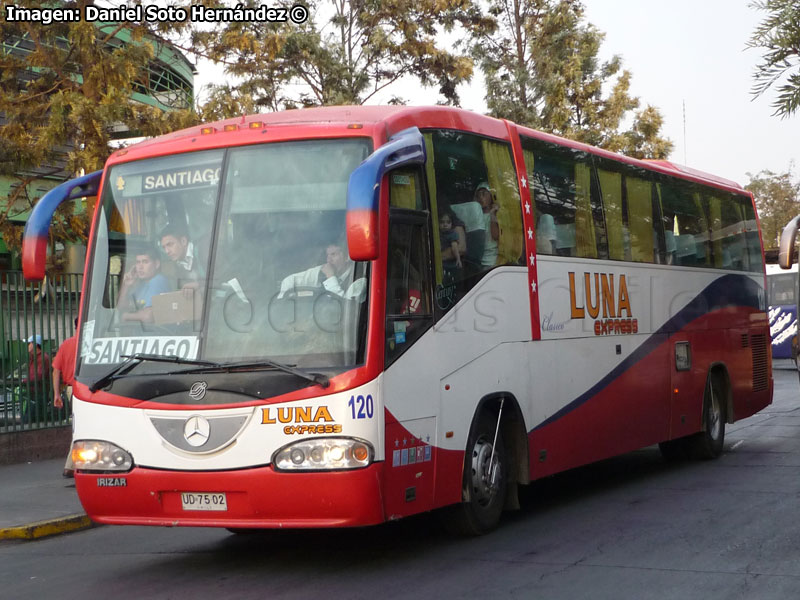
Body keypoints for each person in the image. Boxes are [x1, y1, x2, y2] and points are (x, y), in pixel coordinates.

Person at [278, 243, 366, 300]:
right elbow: (290, 280)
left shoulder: (359, 281)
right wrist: (283, 301)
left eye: (333, 254)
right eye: (327, 255)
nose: (329, 260)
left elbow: (346, 308)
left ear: (347, 256)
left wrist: (331, 278)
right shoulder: (323, 271)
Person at [117, 246, 172, 323]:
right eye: (138, 262)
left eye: (145, 262)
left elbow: (148, 316)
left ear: (156, 264)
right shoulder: (142, 284)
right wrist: (126, 285)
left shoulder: (158, 281)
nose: (140, 267)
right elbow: (121, 306)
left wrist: (126, 316)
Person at [52, 320, 78, 477]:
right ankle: (71, 465)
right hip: (85, 389)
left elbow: (56, 370)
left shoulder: (66, 344)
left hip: (70, 390)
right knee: (82, 426)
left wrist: (56, 394)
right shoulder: (87, 344)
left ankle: (72, 464)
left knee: (78, 425)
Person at [159, 222, 206, 294]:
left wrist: (199, 284)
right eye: (164, 247)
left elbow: (224, 276)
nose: (167, 251)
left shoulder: (204, 250)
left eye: (170, 245)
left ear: (183, 241)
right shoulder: (178, 264)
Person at [20, 334, 50, 424]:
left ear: (35, 345)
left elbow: (38, 376)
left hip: (39, 393)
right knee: (28, 419)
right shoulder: (34, 358)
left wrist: (24, 381)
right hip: (33, 393)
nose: (28, 346)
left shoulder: (43, 358)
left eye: (29, 343)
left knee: (29, 420)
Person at [475, 182, 500, 267]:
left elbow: (495, 235)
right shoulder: (476, 214)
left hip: (491, 260)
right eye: (478, 195)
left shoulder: (497, 214)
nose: (481, 198)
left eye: (484, 194)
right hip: (477, 259)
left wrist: (492, 215)